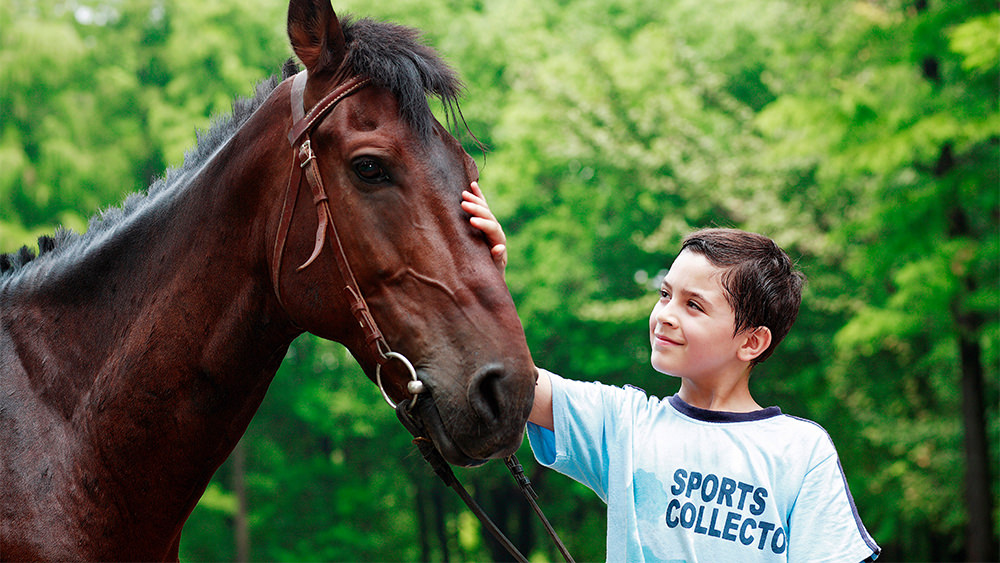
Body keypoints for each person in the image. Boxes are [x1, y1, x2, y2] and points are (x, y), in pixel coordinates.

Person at [461, 182, 880, 562]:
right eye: (665, 294)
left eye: (693, 305)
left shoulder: (800, 452)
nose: (665, 315)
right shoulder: (623, 423)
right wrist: (483, 275)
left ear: (752, 341)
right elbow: (512, 379)